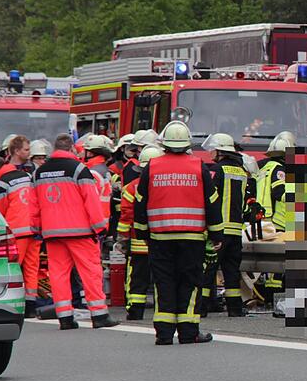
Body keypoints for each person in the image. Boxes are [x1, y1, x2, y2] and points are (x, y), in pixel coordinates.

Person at [133, 121, 223, 345]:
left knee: (163, 283)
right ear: (187, 143)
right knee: (190, 283)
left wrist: (142, 233)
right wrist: (216, 235)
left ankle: (164, 334)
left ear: (164, 144)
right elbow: (212, 202)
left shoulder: (152, 166)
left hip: (160, 238)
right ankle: (188, 332)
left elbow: (140, 201)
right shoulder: (199, 166)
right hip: (192, 238)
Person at [32, 134, 116, 330]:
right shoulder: (78, 169)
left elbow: (33, 207)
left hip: (52, 233)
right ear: (71, 149)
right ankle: (99, 315)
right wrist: (99, 227)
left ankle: (65, 318)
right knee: (90, 272)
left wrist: (37, 229)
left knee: (58, 275)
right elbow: (91, 201)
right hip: (81, 232)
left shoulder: (39, 173)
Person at [201, 133, 253, 317]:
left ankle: (202, 307)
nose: (211, 153)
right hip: (236, 230)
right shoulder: (241, 171)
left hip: (219, 229)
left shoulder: (216, 170)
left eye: (213, 150)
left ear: (220, 151)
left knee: (208, 269)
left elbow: (210, 198)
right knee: (231, 271)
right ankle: (234, 308)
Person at [0, 135, 41, 317]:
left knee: (13, 268)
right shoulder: (27, 176)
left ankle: (11, 303)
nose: (29, 153)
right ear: (16, 151)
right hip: (31, 229)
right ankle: (30, 305)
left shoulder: (3, 179)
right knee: (31, 268)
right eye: (26, 150)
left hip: (17, 231)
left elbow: (0, 209)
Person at [117, 146, 163, 320]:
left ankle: (135, 310)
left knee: (137, 277)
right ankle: (162, 309)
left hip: (138, 242)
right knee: (161, 276)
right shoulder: (163, 184)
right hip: (159, 240)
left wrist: (123, 237)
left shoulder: (131, 187)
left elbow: (126, 214)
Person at [255, 134, 291, 302]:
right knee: (278, 262)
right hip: (277, 221)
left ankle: (268, 295)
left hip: (262, 219)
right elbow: (279, 192)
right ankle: (274, 296)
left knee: (270, 262)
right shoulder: (279, 170)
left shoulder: (263, 168)